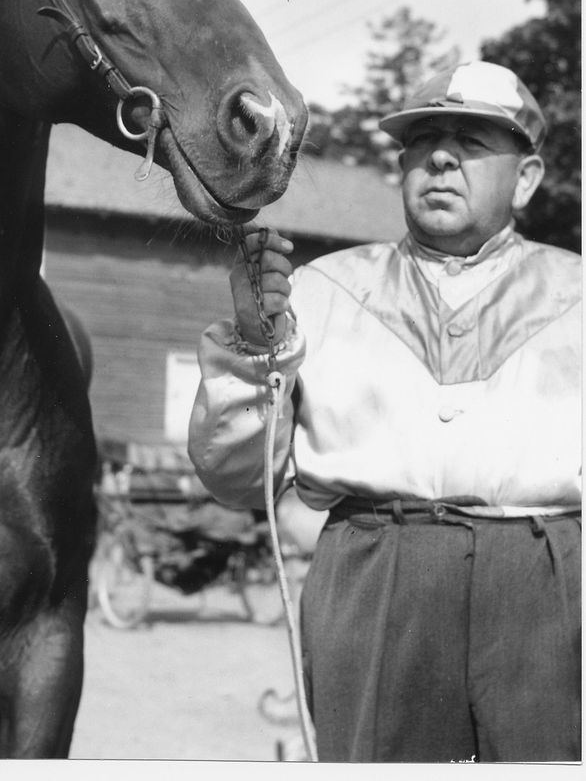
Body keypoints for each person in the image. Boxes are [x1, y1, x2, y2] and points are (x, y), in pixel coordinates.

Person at [188, 60, 581, 764]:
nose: (439, 156)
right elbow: (238, 479)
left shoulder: (575, 293)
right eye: (423, 137)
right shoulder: (321, 290)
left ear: (526, 177)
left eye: (473, 140)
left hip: (544, 589)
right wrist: (256, 341)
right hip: (375, 580)